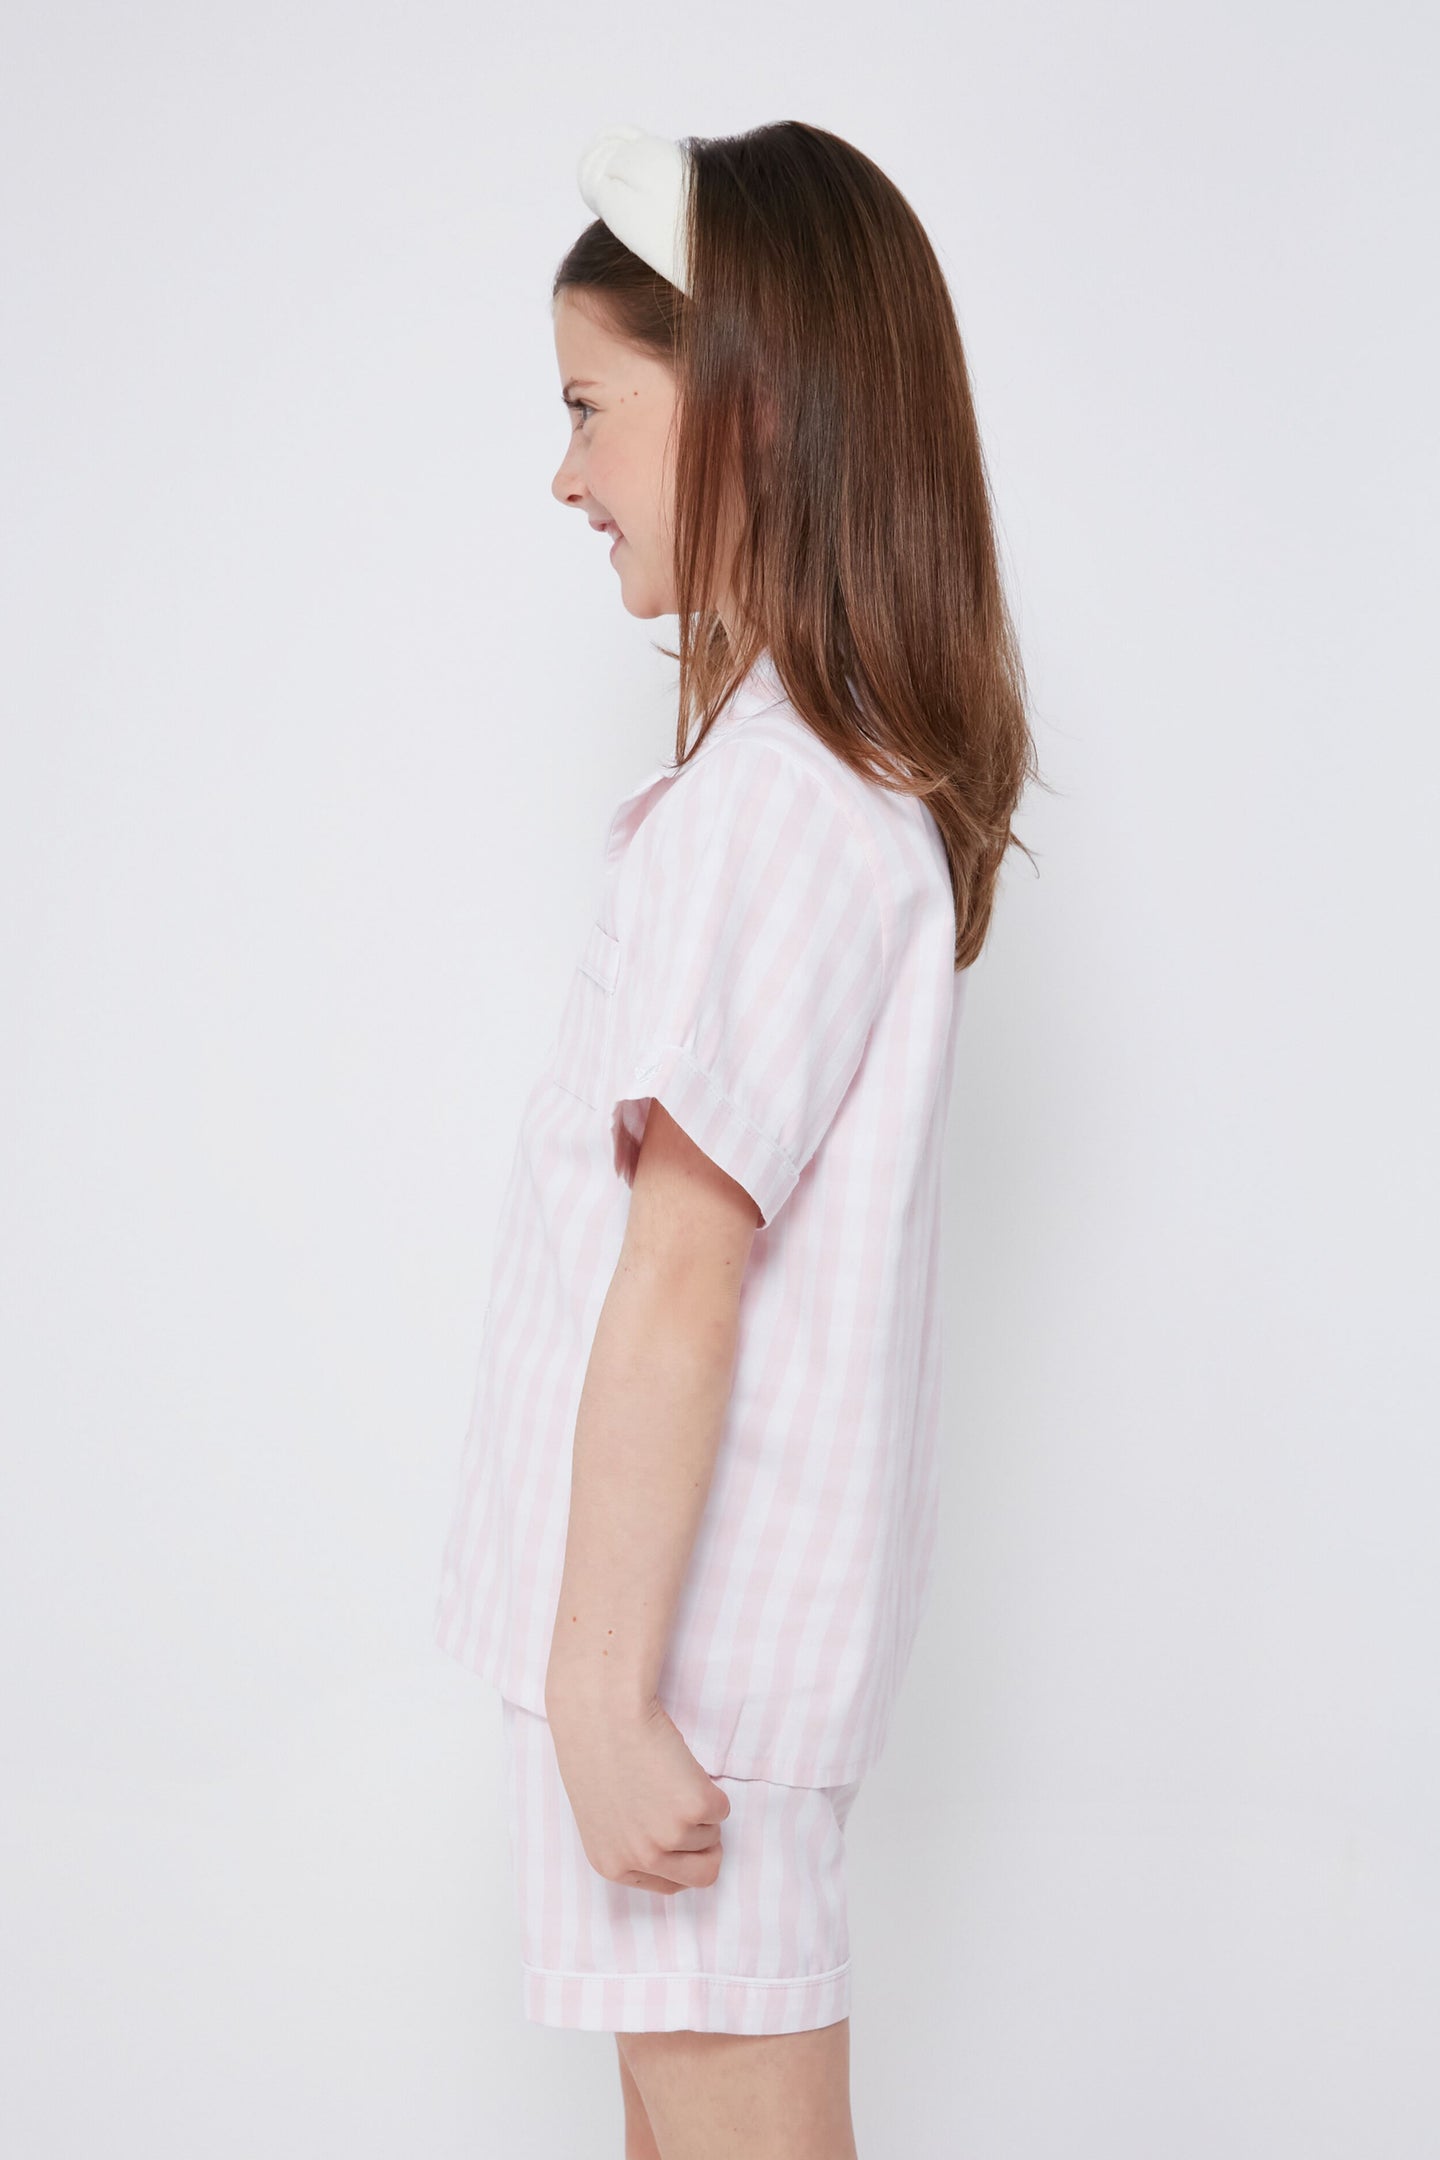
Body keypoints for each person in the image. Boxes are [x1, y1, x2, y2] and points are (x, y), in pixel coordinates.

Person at [433, 117, 1040, 2160]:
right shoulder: (801, 791)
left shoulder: (779, 811)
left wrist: (606, 1692)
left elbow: (684, 1275)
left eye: (589, 408)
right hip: (683, 1662)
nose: (565, 474)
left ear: (754, 414)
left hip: (688, 1679)